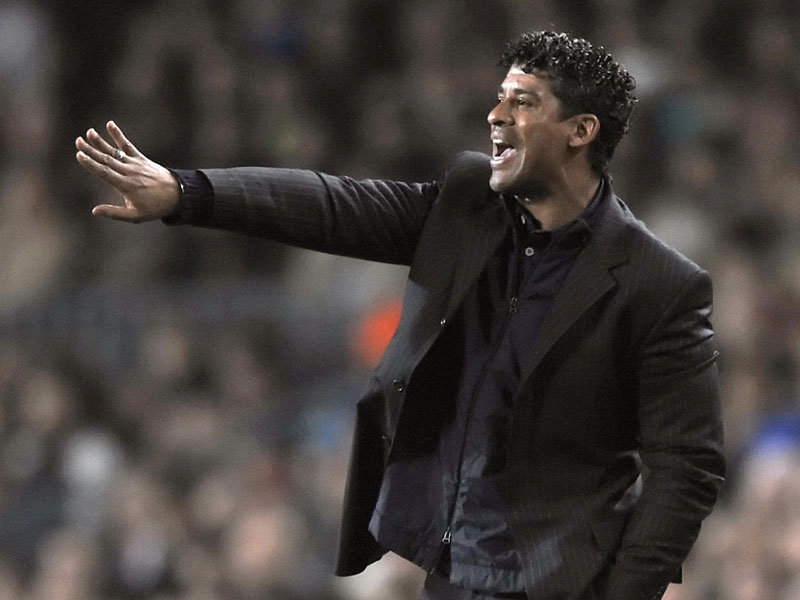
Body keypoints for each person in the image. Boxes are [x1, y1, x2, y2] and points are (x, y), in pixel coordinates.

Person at [76, 31, 725, 600]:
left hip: (560, 584)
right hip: (452, 574)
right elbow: (336, 206)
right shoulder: (470, 205)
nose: (496, 115)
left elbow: (686, 468)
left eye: (523, 103)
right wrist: (187, 192)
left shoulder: (660, 285)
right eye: (500, 98)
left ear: (581, 132)